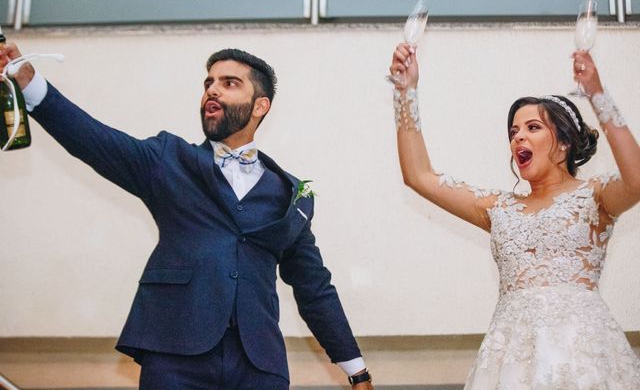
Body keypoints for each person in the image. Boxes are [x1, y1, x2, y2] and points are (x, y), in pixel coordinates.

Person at [0, 43, 374, 390]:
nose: (213, 90)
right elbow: (94, 140)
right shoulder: (168, 160)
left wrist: (357, 371)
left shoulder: (288, 193)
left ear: (260, 106)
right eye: (209, 83)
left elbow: (315, 288)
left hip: (259, 365)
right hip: (175, 354)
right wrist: (30, 83)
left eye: (229, 83)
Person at [389, 42, 640, 389]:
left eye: (533, 127)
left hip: (580, 357)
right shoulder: (499, 209)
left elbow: (637, 178)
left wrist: (597, 94)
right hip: (509, 361)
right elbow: (419, 176)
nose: (518, 135)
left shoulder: (595, 197)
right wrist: (406, 92)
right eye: (514, 131)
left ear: (565, 142)